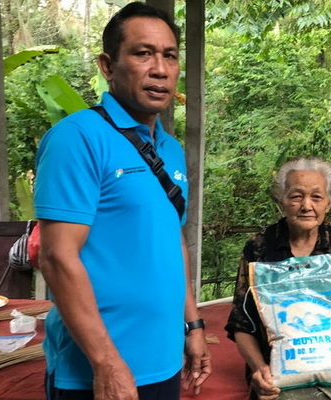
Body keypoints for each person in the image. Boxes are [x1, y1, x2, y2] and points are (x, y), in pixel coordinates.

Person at [34, 3, 211, 399]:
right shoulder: (76, 138)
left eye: (170, 56)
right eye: (143, 53)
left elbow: (173, 240)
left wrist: (193, 325)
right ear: (108, 66)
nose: (160, 69)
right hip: (97, 372)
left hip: (164, 361)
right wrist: (106, 363)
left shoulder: (170, 149)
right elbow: (57, 258)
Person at [225, 157, 331, 400]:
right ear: (282, 201)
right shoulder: (260, 247)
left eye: (317, 197)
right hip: (275, 373)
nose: (307, 205)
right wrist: (259, 369)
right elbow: (242, 322)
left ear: (328, 202)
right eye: (296, 196)